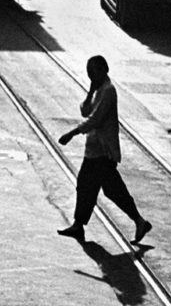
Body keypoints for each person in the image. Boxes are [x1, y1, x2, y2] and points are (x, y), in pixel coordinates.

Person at [57, 55, 152, 244]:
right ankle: (79, 225)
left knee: (109, 189)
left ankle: (139, 221)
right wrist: (90, 92)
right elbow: (85, 111)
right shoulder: (100, 89)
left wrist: (72, 133)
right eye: (89, 74)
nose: (91, 76)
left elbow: (96, 119)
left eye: (93, 73)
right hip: (94, 150)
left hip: (103, 152)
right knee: (89, 186)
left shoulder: (109, 91)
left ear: (103, 70)